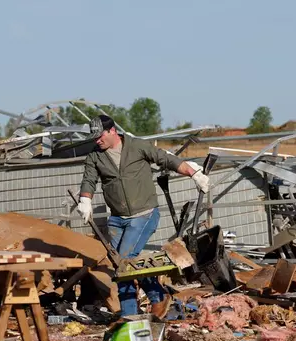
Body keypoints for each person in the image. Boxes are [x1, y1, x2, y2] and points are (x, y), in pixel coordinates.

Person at [77, 115, 210, 318]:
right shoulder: (95, 156)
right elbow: (89, 180)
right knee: (120, 262)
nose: (97, 140)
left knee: (125, 263)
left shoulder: (137, 146)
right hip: (117, 218)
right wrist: (85, 200)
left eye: (100, 135)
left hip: (143, 214)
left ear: (112, 131)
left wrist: (194, 174)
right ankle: (157, 295)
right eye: (94, 137)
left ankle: (129, 316)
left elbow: (166, 159)